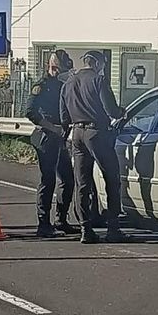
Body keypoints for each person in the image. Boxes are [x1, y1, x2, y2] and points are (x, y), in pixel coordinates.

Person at [60, 50, 128, 244]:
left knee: (82, 184)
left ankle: (85, 229)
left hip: (77, 134)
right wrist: (121, 112)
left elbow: (63, 115)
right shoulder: (99, 80)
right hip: (97, 133)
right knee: (111, 179)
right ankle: (113, 228)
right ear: (98, 63)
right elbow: (111, 110)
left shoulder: (68, 83)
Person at [26, 50, 78, 238]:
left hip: (60, 138)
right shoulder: (42, 85)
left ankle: (61, 219)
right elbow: (30, 111)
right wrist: (51, 127)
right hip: (46, 137)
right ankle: (43, 224)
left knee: (67, 179)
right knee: (48, 180)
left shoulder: (62, 85)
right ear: (54, 68)